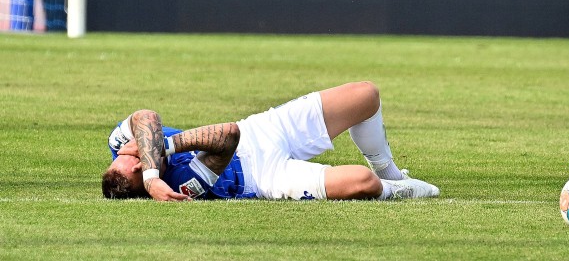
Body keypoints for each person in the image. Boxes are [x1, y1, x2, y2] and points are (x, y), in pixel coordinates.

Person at [102, 81, 441, 202]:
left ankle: (392, 172)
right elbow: (227, 137)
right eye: (139, 167)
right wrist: (158, 165)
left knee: (365, 95)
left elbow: (145, 116)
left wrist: (148, 167)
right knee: (362, 182)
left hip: (261, 130)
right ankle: (398, 189)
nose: (136, 157)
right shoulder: (182, 185)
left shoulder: (123, 146)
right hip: (265, 176)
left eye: (128, 158)